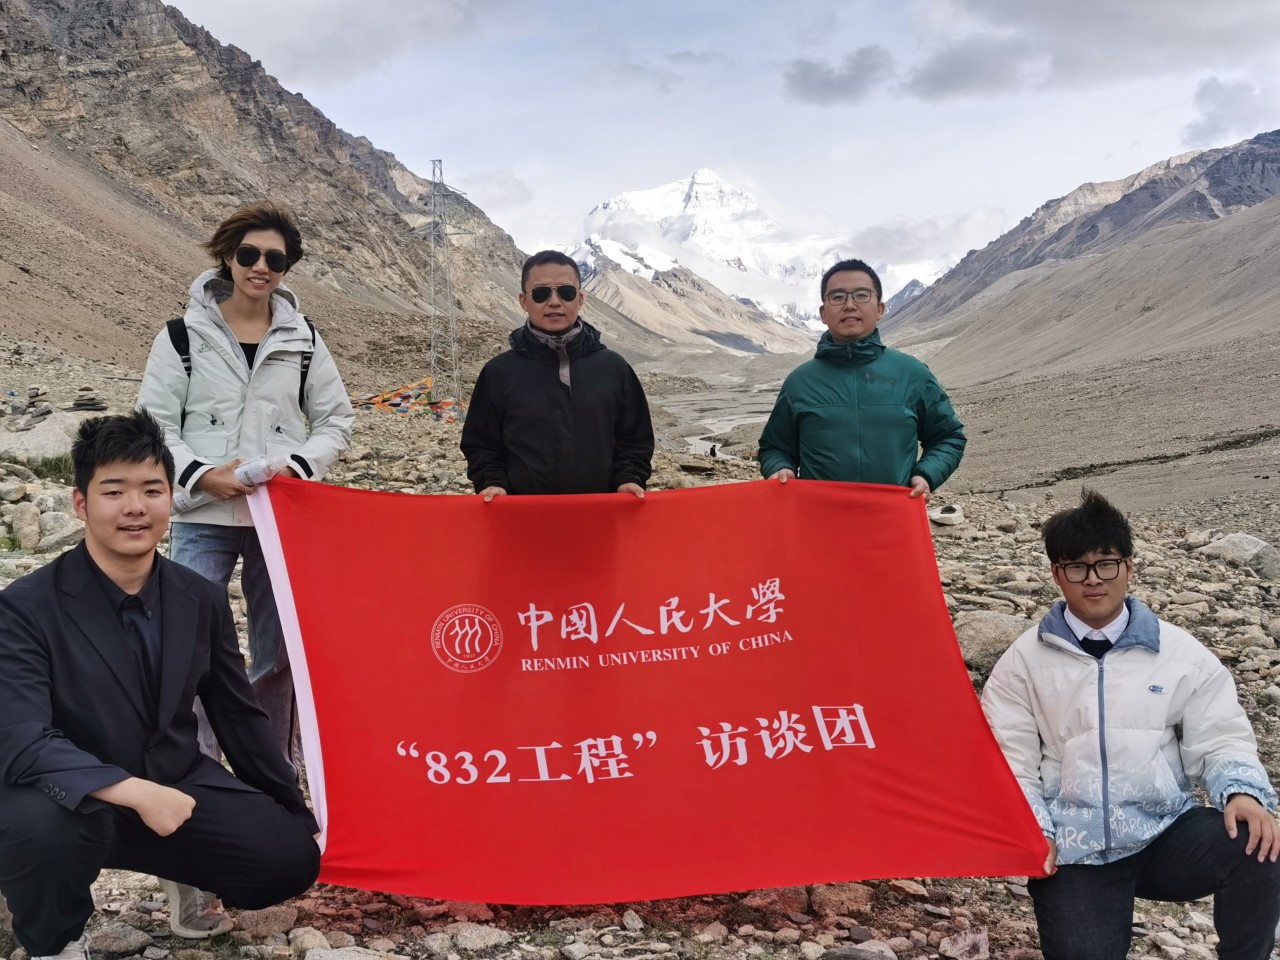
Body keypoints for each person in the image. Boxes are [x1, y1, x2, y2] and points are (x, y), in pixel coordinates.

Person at [0, 412, 320, 960]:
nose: (135, 507)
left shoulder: (200, 598)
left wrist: (293, 812)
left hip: (174, 781)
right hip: (69, 796)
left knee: (287, 859)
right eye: (114, 491)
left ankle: (180, 870)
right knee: (40, 832)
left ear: (172, 499)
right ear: (80, 503)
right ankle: (55, 937)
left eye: (151, 490)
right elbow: (22, 740)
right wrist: (135, 793)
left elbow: (237, 714)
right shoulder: (24, 607)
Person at [981, 489, 1280, 960]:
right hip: (1074, 847)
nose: (1092, 579)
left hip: (1166, 831)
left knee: (1257, 842)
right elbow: (1008, 761)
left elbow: (1220, 735)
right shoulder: (1021, 664)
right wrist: (1035, 830)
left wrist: (1242, 792)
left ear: (1129, 567)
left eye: (1106, 564)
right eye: (1076, 567)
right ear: (1057, 574)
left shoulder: (1179, 653)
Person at [137, 201, 353, 763]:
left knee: (277, 646)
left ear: (287, 267)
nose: (261, 267)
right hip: (202, 512)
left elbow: (336, 422)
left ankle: (268, 762)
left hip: (278, 518)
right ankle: (195, 763)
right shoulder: (182, 336)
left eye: (275, 259)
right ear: (227, 257)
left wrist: (296, 470)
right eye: (249, 254)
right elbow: (155, 422)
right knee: (186, 639)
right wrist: (201, 475)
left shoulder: (305, 340)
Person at [757, 258, 966, 498]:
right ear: (823, 313)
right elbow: (775, 447)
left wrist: (926, 475)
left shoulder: (912, 374)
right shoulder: (800, 382)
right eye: (837, 297)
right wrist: (780, 468)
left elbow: (948, 437)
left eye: (861, 295)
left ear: (880, 309)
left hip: (893, 515)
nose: (849, 305)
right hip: (818, 515)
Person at [461, 250, 654, 499]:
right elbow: (482, 444)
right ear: (523, 300)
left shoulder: (614, 368)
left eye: (566, 292)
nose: (554, 302)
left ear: (580, 299)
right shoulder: (499, 373)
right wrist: (491, 481)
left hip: (601, 513)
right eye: (541, 293)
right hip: (522, 515)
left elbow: (634, 438)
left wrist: (629, 478)